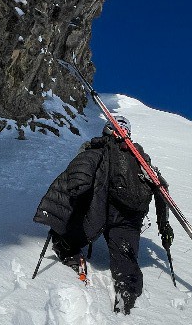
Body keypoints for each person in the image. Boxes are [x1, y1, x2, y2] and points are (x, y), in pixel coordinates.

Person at [33, 116, 174, 313]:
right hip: (130, 218)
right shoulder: (140, 159)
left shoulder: (99, 148)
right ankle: (127, 292)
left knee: (71, 235)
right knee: (125, 257)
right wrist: (163, 224)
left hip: (101, 212)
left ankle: (68, 250)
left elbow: (80, 174)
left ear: (107, 130)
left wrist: (74, 197)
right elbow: (161, 188)